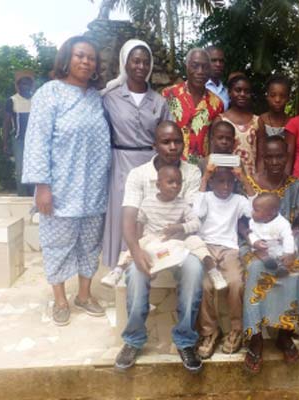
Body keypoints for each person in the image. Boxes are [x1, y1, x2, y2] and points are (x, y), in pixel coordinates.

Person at [22, 36, 111, 326]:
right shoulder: (50, 94)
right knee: (57, 244)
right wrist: (42, 186)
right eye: (80, 55)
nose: (86, 61)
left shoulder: (96, 97)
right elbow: (38, 141)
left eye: (91, 58)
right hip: (60, 187)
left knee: (90, 244)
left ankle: (84, 295)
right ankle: (60, 299)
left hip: (93, 188)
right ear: (66, 59)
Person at [115, 121, 204, 373]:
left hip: (180, 242)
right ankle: (133, 339)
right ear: (155, 145)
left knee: (194, 269)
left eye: (177, 141)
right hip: (149, 243)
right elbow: (129, 215)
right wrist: (136, 250)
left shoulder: (191, 173)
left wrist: (176, 236)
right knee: (135, 273)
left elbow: (190, 215)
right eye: (166, 142)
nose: (173, 147)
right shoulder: (138, 174)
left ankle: (185, 340)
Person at [100, 39, 173, 287]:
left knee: (148, 217)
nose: (141, 66)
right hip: (121, 162)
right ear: (125, 62)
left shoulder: (158, 101)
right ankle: (120, 273)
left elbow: (168, 135)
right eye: (136, 61)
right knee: (124, 215)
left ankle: (147, 272)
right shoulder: (110, 98)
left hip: (151, 164)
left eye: (146, 62)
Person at [242, 135, 299, 374]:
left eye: (279, 156)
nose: (274, 161)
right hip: (255, 243)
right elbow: (241, 221)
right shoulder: (249, 184)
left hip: (288, 243)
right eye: (269, 156)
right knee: (254, 269)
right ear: (262, 158)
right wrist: (255, 242)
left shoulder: (298, 186)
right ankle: (255, 337)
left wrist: (289, 251)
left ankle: (284, 334)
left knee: (297, 274)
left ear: (287, 157)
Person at [194, 166, 255, 359]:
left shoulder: (238, 200)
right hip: (206, 247)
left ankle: (236, 329)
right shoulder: (206, 197)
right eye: (220, 181)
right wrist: (205, 178)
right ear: (212, 182)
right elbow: (197, 211)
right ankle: (209, 331)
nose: (226, 186)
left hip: (229, 249)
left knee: (236, 282)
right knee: (205, 285)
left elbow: (255, 210)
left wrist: (243, 179)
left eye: (230, 182)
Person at [162, 48, 224, 162]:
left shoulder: (217, 104)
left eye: (205, 67)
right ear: (186, 67)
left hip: (200, 167)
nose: (200, 71)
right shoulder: (169, 95)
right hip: (172, 164)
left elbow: (214, 140)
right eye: (195, 66)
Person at [216, 74, 264, 175]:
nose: (242, 94)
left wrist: (258, 179)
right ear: (229, 92)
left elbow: (261, 157)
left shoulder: (258, 121)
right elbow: (214, 153)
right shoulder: (221, 120)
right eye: (238, 90)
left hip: (251, 179)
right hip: (226, 179)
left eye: (247, 91)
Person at [2, 71, 35, 196]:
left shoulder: (37, 100)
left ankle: (34, 195)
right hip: (19, 140)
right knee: (20, 169)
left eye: (28, 84)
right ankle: (22, 196)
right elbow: (6, 123)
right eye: (23, 84)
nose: (25, 87)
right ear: (18, 86)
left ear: (31, 86)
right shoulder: (12, 100)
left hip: (35, 141)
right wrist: (5, 143)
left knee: (35, 168)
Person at [248, 193, 295, 277]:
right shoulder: (253, 222)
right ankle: (267, 260)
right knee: (258, 251)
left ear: (269, 214)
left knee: (284, 256)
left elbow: (288, 238)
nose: (252, 213)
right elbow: (251, 233)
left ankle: (282, 267)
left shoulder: (282, 223)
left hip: (277, 246)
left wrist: (288, 253)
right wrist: (255, 242)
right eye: (253, 209)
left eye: (256, 210)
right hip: (261, 246)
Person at [205, 45, 229, 110]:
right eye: (213, 60)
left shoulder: (226, 91)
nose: (218, 64)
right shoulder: (196, 88)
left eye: (221, 61)